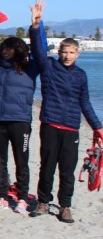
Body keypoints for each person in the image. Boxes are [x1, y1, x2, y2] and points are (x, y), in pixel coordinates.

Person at [31, 36, 103, 223]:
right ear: (59, 52)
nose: (67, 56)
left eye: (71, 52)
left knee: (67, 170)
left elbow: (85, 103)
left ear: (77, 54)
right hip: (50, 125)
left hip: (71, 128)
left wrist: (97, 127)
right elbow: (39, 50)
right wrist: (36, 27)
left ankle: (65, 207)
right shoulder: (49, 67)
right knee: (47, 166)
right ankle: (43, 202)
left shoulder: (80, 75)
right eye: (64, 52)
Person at [0, 0, 46, 214]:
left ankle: (22, 197)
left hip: (20, 121)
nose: (6, 52)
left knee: (22, 160)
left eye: (10, 49)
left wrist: (36, 27)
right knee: (0, 160)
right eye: (4, 48)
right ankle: (2, 195)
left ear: (19, 49)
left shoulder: (30, 68)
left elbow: (41, 51)